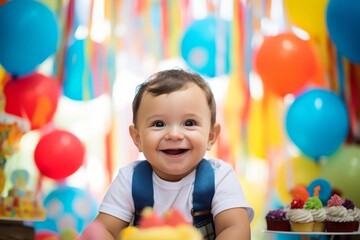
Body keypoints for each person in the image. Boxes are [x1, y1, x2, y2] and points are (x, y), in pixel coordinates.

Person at [80, 69, 254, 240]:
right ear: (137, 138)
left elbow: (235, 227)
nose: (174, 134)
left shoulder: (219, 177)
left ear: (211, 136)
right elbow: (105, 230)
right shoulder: (130, 179)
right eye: (159, 124)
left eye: (189, 122)